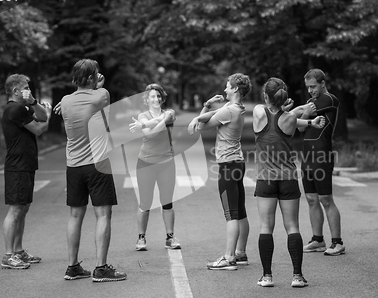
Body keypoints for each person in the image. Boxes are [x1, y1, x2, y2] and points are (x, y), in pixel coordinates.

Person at [55, 59, 126, 282]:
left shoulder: (65, 101)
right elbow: (100, 94)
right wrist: (97, 84)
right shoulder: (101, 95)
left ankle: (72, 267)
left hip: (73, 165)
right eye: (95, 74)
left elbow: (68, 102)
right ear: (91, 79)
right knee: (103, 214)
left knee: (75, 215)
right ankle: (101, 268)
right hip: (98, 164)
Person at [253, 77, 325, 287]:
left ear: (266, 96)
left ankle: (267, 276)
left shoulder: (258, 112)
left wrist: (288, 108)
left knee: (266, 226)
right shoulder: (290, 119)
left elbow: (271, 110)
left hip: (266, 179)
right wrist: (306, 114)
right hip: (288, 179)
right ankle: (297, 276)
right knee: (292, 226)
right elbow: (294, 119)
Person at [188, 73, 251, 270]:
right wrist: (206, 106)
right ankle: (240, 253)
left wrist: (198, 116)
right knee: (240, 211)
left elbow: (201, 126)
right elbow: (209, 116)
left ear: (235, 89)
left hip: (228, 166)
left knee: (231, 214)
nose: (224, 89)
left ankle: (229, 258)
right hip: (237, 163)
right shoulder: (236, 108)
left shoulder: (229, 110)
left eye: (227, 86)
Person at [1, 74, 51, 269]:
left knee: (23, 207)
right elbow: (39, 128)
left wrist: (35, 102)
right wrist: (48, 117)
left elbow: (41, 116)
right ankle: (8, 255)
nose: (29, 90)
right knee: (15, 210)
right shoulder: (14, 109)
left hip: (26, 164)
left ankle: (19, 251)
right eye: (26, 88)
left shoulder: (23, 107)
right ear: (15, 90)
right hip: (17, 166)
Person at [298, 69, 345, 256]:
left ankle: (337, 243)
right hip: (307, 157)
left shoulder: (330, 100)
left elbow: (302, 114)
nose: (310, 90)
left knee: (326, 199)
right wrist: (303, 114)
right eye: (308, 87)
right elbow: (300, 128)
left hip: (322, 156)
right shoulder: (310, 103)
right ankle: (318, 240)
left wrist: (302, 113)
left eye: (313, 86)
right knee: (311, 199)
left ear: (323, 83)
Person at [128, 83, 181, 251]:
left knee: (167, 202)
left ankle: (170, 237)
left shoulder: (170, 113)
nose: (156, 99)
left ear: (162, 98)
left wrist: (145, 125)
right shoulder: (142, 115)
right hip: (146, 163)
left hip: (166, 162)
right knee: (145, 203)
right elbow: (149, 135)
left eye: (158, 96)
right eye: (152, 96)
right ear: (147, 99)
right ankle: (141, 238)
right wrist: (155, 123)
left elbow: (150, 129)